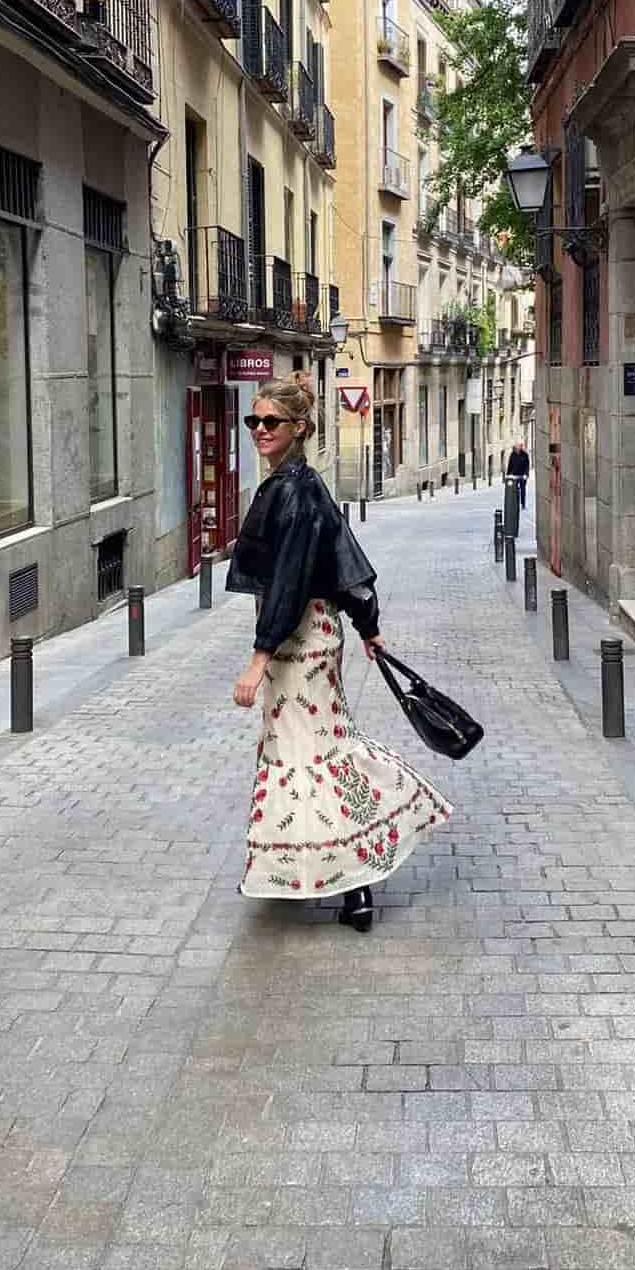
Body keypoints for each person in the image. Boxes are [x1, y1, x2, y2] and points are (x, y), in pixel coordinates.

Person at [225, 372, 452, 934]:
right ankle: (309, 871)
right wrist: (367, 625)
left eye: (270, 422)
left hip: (297, 644)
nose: (258, 430)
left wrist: (259, 658)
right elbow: (343, 563)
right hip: (310, 636)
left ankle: (356, 881)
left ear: (298, 428)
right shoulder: (302, 483)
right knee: (310, 751)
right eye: (254, 420)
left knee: (312, 757)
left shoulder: (295, 490)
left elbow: (293, 580)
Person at [505, 441, 530, 510]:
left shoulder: (525, 455)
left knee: (522, 490)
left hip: (522, 476)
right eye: (516, 447)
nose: (517, 448)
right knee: (514, 490)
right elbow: (510, 465)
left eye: (518, 446)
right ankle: (514, 503)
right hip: (514, 476)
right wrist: (508, 474)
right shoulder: (512, 454)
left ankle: (523, 504)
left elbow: (527, 465)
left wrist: (526, 474)